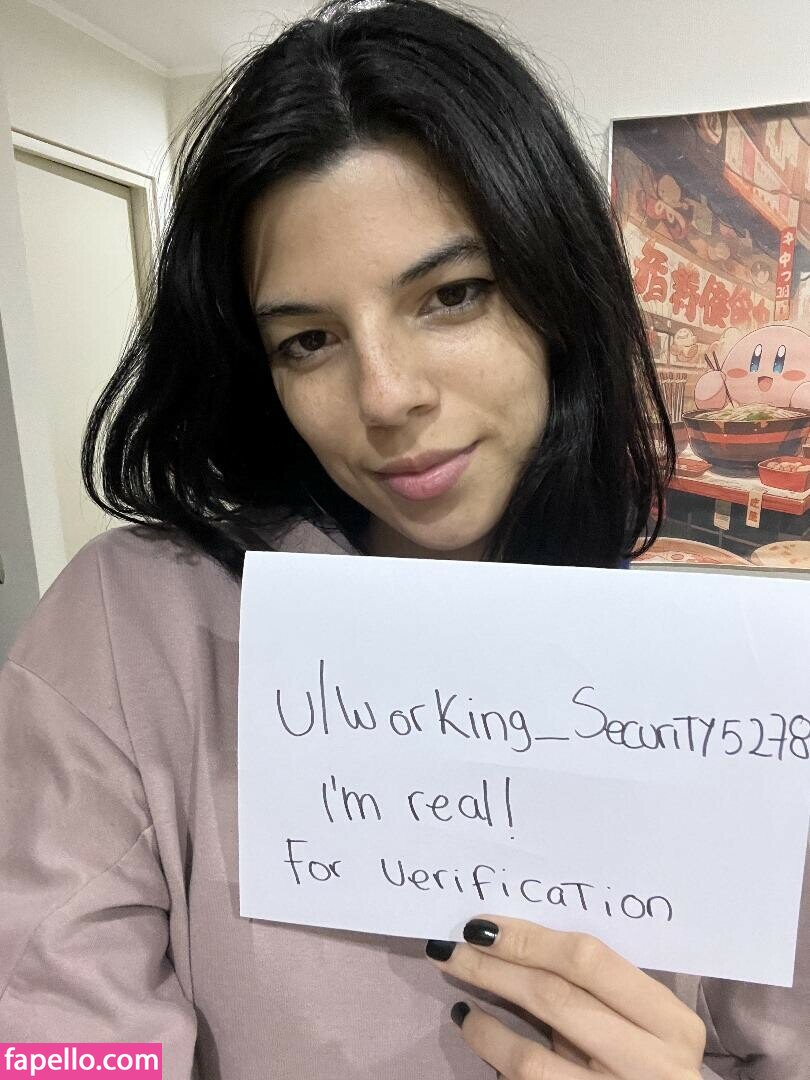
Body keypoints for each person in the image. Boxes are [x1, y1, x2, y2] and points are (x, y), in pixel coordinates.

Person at [0, 0, 806, 1076]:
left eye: (451, 296)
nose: (385, 397)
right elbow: (56, 1039)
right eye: (308, 340)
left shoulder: (736, 677)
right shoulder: (135, 625)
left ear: (558, 291)